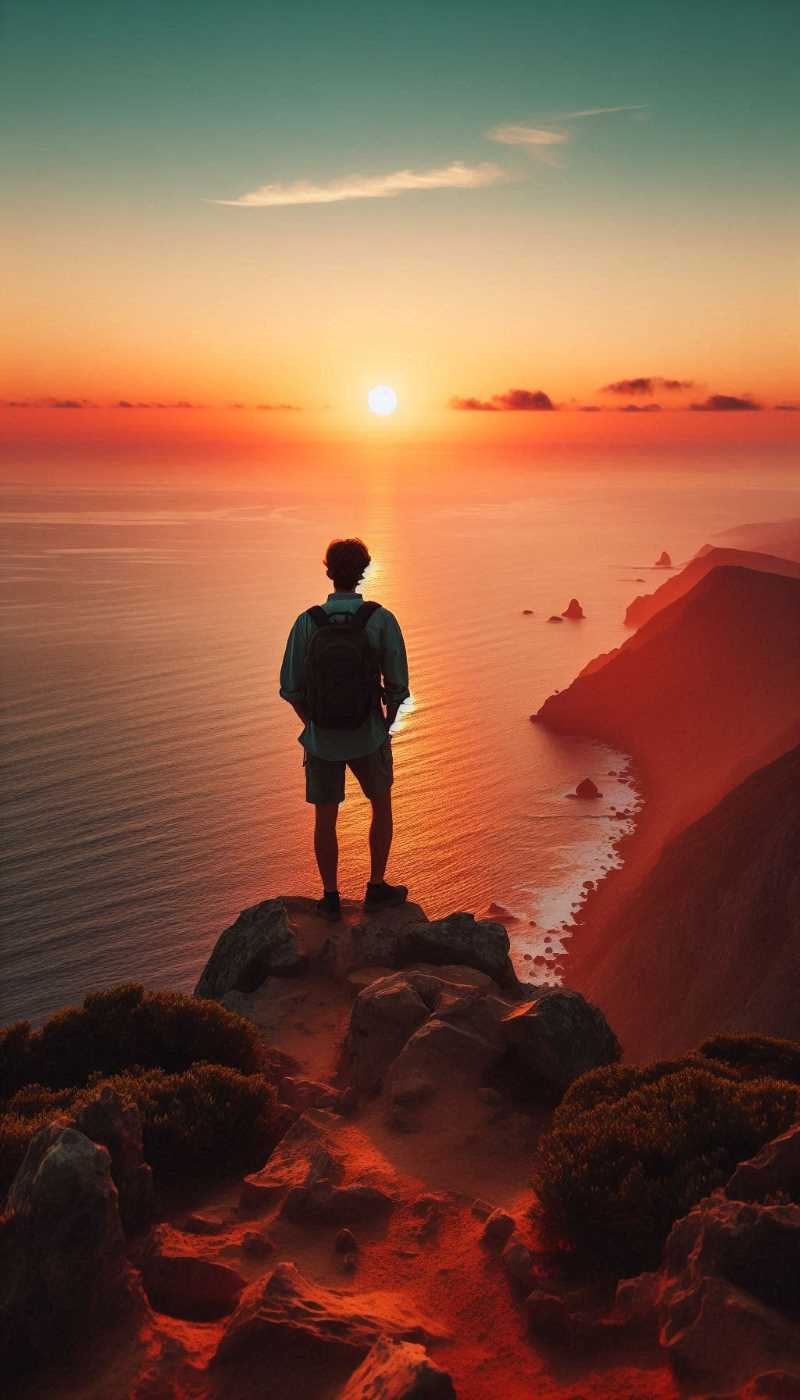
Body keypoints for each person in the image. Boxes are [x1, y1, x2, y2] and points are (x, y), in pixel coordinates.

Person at [279, 537, 410, 921]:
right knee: (381, 805)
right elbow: (398, 685)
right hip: (367, 732)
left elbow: (290, 687)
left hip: (322, 739)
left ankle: (331, 896)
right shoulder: (380, 619)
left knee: (325, 818)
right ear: (363, 570)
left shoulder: (308, 621)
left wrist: (313, 724)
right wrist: (384, 723)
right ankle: (376, 886)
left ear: (328, 571)